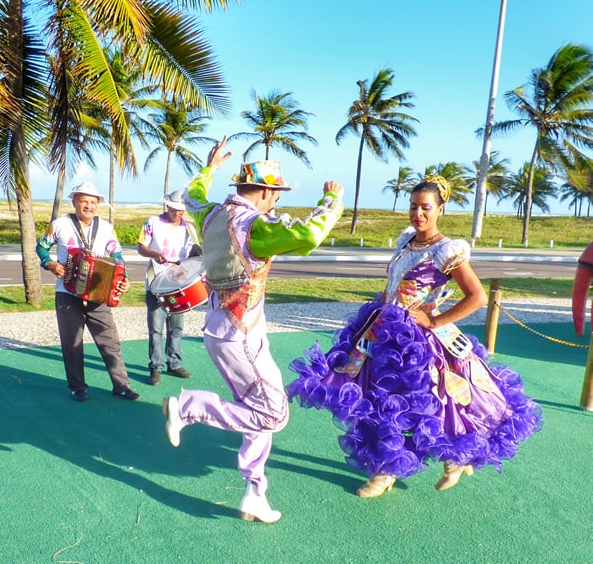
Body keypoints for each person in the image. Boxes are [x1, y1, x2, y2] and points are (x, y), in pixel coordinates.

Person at [287, 175, 543, 498]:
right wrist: (377, 312)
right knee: (375, 400)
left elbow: (476, 296)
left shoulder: (446, 251)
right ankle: (389, 470)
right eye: (413, 207)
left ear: (440, 209)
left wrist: (435, 319)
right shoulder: (406, 240)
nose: (418, 214)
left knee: (435, 401)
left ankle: (449, 458)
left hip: (419, 342)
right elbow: (393, 285)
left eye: (425, 208)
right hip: (382, 330)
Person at [161, 137, 344, 523]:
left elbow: (193, 194)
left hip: (221, 332)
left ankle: (254, 492)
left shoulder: (208, 214)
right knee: (275, 415)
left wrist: (209, 168)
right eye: (275, 194)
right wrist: (331, 201)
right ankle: (190, 408)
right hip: (241, 337)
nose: (275, 201)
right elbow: (308, 235)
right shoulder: (255, 226)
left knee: (257, 410)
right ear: (264, 191)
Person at [36, 181, 139, 402]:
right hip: (67, 292)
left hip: (98, 294)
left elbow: (117, 257)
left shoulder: (106, 227)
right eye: (84, 201)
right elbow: (41, 246)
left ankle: (121, 385)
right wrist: (49, 263)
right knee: (72, 342)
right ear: (74, 202)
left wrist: (124, 279)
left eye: (93, 202)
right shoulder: (60, 224)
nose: (89, 206)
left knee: (110, 340)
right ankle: (77, 387)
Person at [137, 190, 201, 385]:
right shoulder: (152, 223)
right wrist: (154, 254)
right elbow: (141, 247)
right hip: (156, 283)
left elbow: (193, 254)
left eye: (181, 211)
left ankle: (174, 364)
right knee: (156, 329)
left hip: (179, 286)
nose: (178, 214)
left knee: (177, 327)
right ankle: (156, 367)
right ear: (168, 206)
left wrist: (198, 254)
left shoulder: (189, 229)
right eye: (175, 209)